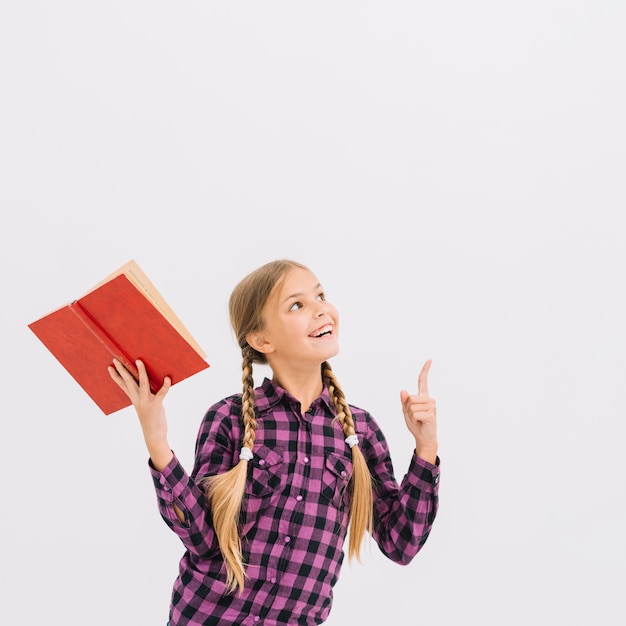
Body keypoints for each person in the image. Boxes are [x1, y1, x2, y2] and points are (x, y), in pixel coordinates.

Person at [108, 259, 440, 626]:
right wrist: (157, 440)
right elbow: (203, 541)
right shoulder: (228, 418)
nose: (321, 309)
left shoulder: (359, 432)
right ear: (262, 339)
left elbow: (401, 543)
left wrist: (426, 449)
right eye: (297, 305)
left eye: (320, 296)